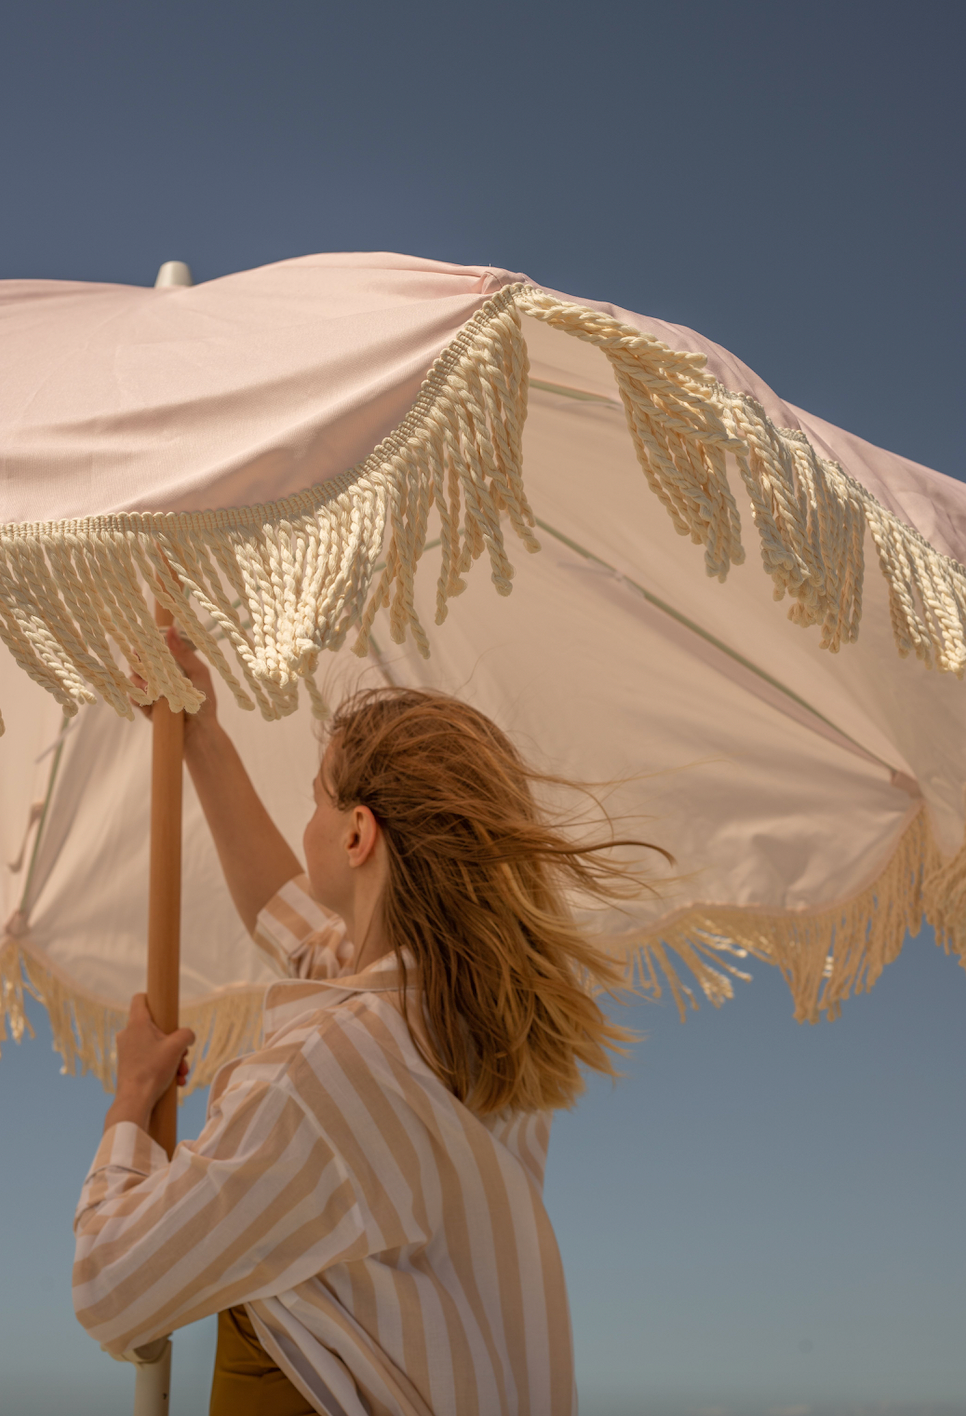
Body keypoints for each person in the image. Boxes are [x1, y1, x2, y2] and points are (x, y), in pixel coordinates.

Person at [73, 629, 667, 1416]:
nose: (308, 822)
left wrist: (130, 1105)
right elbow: (287, 918)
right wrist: (201, 734)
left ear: (358, 835)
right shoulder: (479, 1027)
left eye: (317, 799)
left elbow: (112, 1285)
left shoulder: (319, 1074)